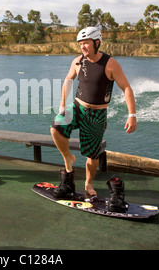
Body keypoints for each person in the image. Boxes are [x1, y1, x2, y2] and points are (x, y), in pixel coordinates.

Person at [50, 27, 137, 203]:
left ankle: (88, 185)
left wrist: (132, 115)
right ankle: (69, 162)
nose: (83, 47)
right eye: (81, 44)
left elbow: (126, 87)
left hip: (97, 115)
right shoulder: (77, 62)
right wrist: (62, 106)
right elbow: (68, 81)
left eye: (86, 43)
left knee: (92, 155)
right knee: (56, 127)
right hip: (77, 108)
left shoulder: (110, 64)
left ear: (97, 43)